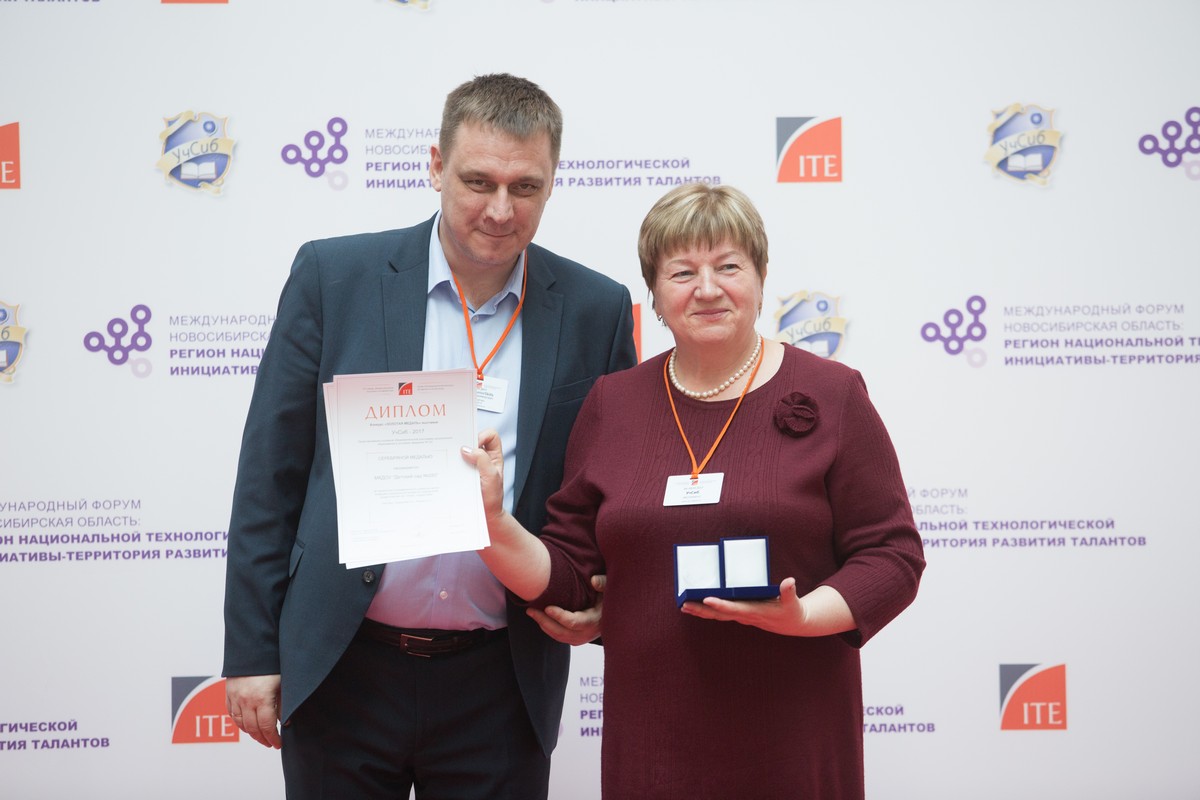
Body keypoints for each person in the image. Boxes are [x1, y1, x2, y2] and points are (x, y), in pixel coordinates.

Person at [222, 73, 637, 800]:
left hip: (502, 680)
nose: (500, 210)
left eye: (526, 187)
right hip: (344, 665)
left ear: (552, 182)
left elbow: (612, 492)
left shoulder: (595, 309)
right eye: (478, 181)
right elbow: (271, 473)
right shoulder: (334, 277)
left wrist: (608, 602)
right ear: (436, 165)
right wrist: (253, 651)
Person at [463, 183, 926, 799]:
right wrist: (493, 523)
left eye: (728, 266)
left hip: (794, 735)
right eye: (682, 272)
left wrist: (803, 616)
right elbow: (570, 573)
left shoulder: (832, 393)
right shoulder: (613, 403)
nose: (707, 289)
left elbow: (893, 555)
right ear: (655, 295)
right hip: (652, 744)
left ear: (761, 277)